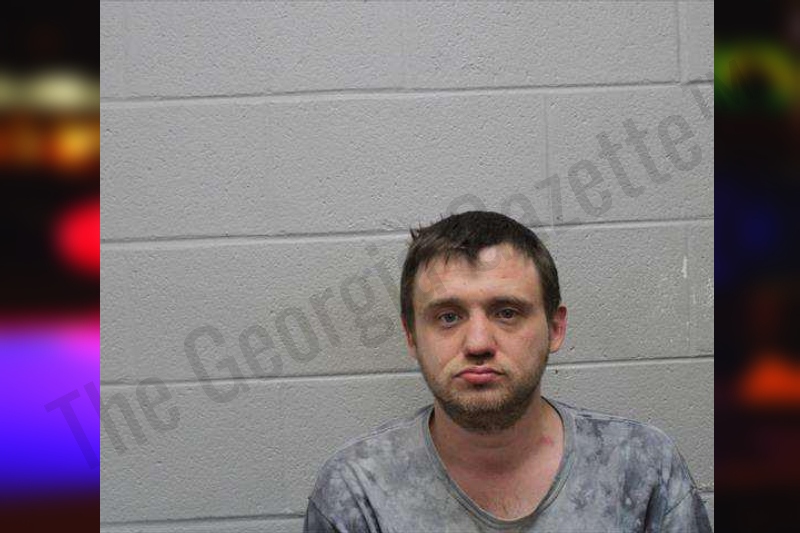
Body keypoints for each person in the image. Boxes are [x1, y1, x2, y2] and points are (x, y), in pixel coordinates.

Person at [303, 211, 712, 532]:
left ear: (554, 328)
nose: (478, 343)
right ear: (411, 336)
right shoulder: (357, 488)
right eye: (448, 317)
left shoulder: (641, 466)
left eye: (507, 312)